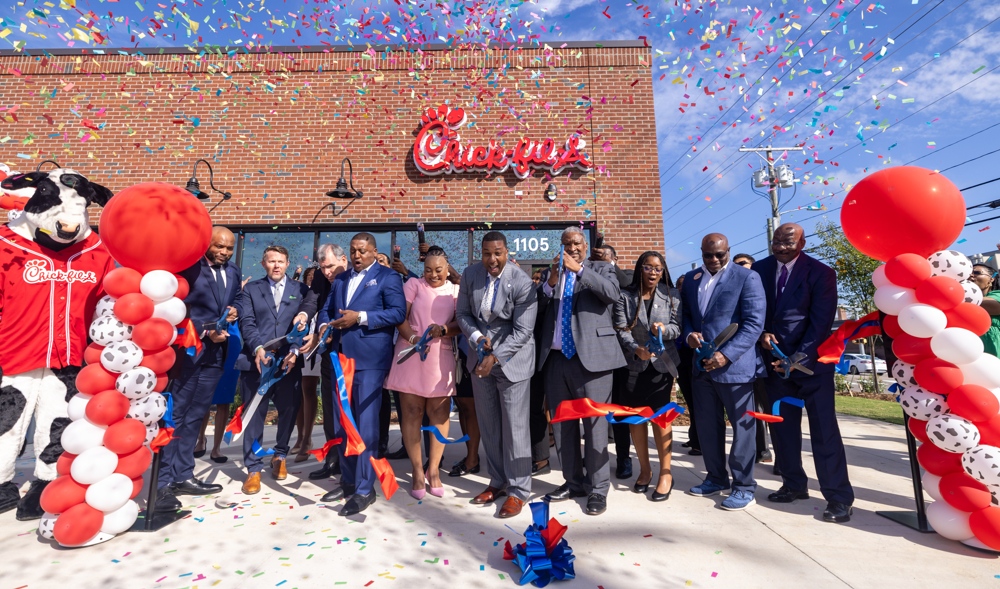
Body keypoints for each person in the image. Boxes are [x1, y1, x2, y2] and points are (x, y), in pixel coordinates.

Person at [754, 223, 854, 522]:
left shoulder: (821, 273)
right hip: (774, 364)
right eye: (776, 241)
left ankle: (838, 497)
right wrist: (762, 333)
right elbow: (752, 310)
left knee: (824, 432)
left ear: (802, 243)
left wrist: (798, 357)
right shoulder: (758, 270)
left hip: (811, 365)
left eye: (788, 242)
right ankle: (793, 484)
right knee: (783, 428)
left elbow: (821, 321)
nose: (781, 247)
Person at [539, 227, 626, 517]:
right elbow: (539, 308)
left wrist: (580, 271)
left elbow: (613, 295)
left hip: (593, 360)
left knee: (595, 427)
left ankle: (598, 489)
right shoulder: (553, 270)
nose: (571, 248)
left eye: (576, 243)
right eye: (566, 244)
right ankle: (573, 482)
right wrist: (550, 284)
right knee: (563, 426)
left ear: (585, 246)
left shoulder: (602, 268)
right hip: (556, 359)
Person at [317, 233, 406, 516]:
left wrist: (361, 317)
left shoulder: (388, 277)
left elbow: (398, 313)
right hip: (340, 358)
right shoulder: (341, 279)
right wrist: (322, 326)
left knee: (365, 426)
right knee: (343, 423)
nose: (357, 255)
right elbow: (326, 309)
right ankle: (349, 481)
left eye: (363, 251)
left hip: (370, 359)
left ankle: (365, 489)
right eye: (353, 250)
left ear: (373, 251)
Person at [156, 227, 241, 512]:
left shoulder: (234, 271)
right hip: (188, 352)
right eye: (219, 247)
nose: (224, 253)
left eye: (229, 249)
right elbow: (175, 308)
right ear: (207, 244)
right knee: (177, 414)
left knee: (196, 414)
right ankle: (163, 482)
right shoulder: (188, 269)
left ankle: (183, 474)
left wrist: (235, 311)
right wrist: (206, 332)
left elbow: (237, 298)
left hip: (216, 354)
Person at [680, 233, 764, 511]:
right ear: (701, 253)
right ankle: (716, 478)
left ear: (729, 250)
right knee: (706, 427)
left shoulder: (747, 277)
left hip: (735, 367)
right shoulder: (691, 280)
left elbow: (754, 323)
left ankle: (743, 486)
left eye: (720, 254)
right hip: (701, 367)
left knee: (743, 429)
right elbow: (689, 316)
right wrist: (689, 334)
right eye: (708, 255)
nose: (714, 260)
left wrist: (726, 355)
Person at [456, 231, 537, 518]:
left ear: (506, 251)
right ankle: (499, 481)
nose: (492, 259)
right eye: (487, 253)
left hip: (512, 362)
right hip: (480, 360)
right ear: (481, 253)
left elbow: (524, 330)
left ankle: (518, 490)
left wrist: (495, 356)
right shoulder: (470, 275)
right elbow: (463, 314)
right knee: (489, 425)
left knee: (515, 430)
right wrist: (477, 338)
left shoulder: (522, 281)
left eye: (498, 253)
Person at [235, 245, 315, 495]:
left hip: (288, 363)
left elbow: (303, 324)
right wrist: (258, 348)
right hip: (257, 363)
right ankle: (253, 468)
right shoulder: (251, 289)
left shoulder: (301, 290)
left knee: (289, 411)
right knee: (254, 414)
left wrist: (293, 350)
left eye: (280, 261)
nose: (276, 265)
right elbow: (246, 321)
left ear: (288, 263)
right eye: (271, 261)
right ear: (263, 264)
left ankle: (280, 456)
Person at [384, 246, 460, 498]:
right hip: (411, 353)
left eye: (438, 270)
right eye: (428, 270)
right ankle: (417, 471)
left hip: (441, 355)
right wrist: (414, 338)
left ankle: (434, 470)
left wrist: (445, 330)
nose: (433, 274)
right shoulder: (414, 285)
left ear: (447, 269)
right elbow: (399, 316)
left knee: (439, 412)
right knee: (412, 412)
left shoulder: (456, 290)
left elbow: (462, 323)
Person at [613, 251, 681, 501]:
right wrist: (636, 350)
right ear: (640, 269)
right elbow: (621, 329)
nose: (653, 273)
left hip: (662, 367)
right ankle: (645, 470)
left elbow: (678, 327)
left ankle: (666, 473)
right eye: (648, 268)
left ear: (663, 271)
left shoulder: (672, 296)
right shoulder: (625, 296)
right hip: (634, 365)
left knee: (661, 419)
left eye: (657, 269)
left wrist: (665, 329)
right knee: (636, 419)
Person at [301, 243, 350, 481]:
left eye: (330, 266)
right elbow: (314, 303)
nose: (327, 272)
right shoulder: (323, 278)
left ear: (344, 260)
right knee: (330, 409)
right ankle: (333, 459)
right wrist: (319, 327)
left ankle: (354, 460)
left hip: (354, 354)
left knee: (351, 411)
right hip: (328, 350)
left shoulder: (355, 277)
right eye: (323, 268)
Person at [598, 242, 635, 479]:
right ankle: (595, 456)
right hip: (595, 354)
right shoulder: (589, 277)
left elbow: (626, 284)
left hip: (622, 356)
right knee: (598, 409)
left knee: (621, 410)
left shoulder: (628, 276)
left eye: (607, 256)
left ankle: (623, 458)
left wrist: (609, 265)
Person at [291, 266, 320, 463]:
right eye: (309, 277)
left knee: (309, 390)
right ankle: (300, 436)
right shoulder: (301, 295)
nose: (312, 281)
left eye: (315, 278)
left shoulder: (322, 295)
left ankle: (307, 439)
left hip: (317, 346)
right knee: (297, 393)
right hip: (298, 346)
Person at [674, 274, 700, 456]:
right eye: (679, 285)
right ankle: (694, 436)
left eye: (685, 285)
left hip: (695, 354)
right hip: (680, 356)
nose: (682, 289)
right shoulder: (674, 305)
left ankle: (699, 442)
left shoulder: (695, 305)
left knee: (698, 400)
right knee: (690, 399)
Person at [972, 264, 1000, 357]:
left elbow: (994, 306)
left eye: (976, 272)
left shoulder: (998, 295)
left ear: (991, 279)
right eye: (969, 273)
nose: (971, 275)